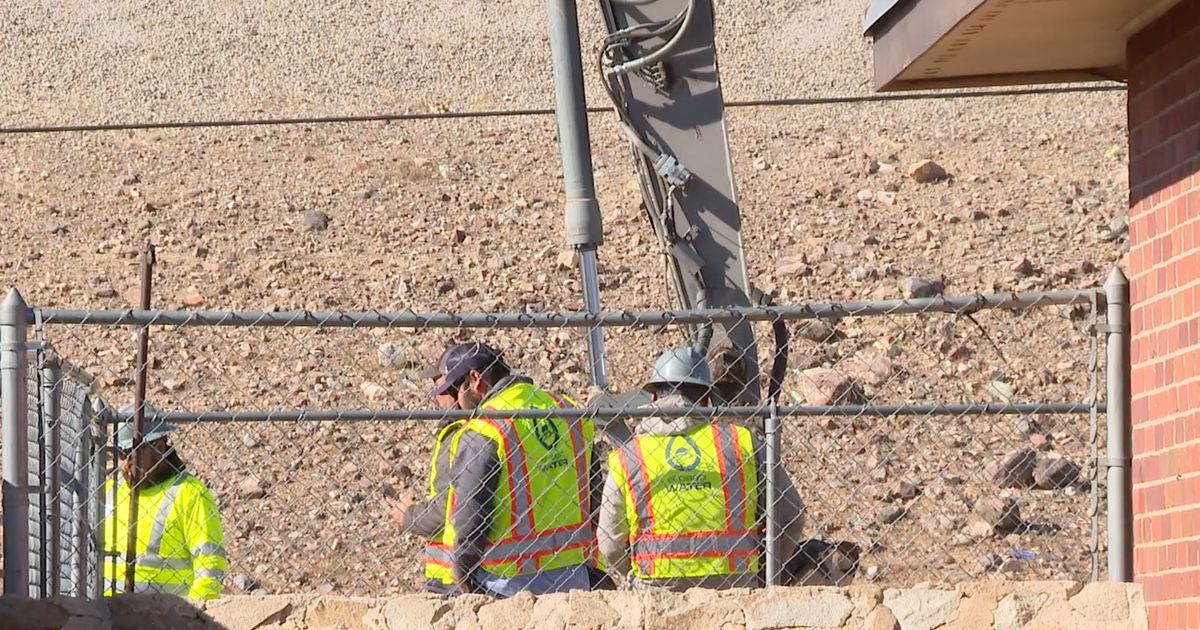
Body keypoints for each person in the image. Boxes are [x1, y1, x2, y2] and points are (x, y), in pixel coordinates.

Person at [597, 346, 807, 591]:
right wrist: (766, 575)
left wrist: (636, 578)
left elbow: (609, 542)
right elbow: (791, 516)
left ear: (654, 398)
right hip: (735, 587)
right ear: (707, 398)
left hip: (656, 590)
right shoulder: (744, 443)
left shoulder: (629, 455)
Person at [425, 341, 597, 597]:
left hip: (507, 586)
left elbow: (471, 515)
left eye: (454, 390)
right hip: (574, 578)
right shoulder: (567, 409)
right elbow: (594, 488)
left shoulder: (484, 430)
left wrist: (462, 572)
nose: (456, 403)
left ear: (475, 380)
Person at [100, 406, 227, 600]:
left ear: (158, 448)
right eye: (120, 454)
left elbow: (209, 567)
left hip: (165, 618)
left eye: (130, 453)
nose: (124, 464)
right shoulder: (110, 490)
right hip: (105, 615)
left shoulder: (189, 494)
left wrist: (192, 617)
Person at [387, 371, 467, 595]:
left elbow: (447, 509)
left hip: (453, 577)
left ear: (460, 390)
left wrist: (408, 516)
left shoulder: (460, 437)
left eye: (440, 391)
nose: (436, 399)